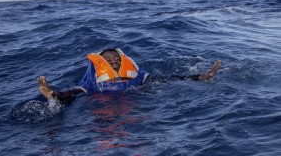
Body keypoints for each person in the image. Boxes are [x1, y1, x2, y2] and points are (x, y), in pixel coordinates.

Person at [38, 48, 221, 105]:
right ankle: (53, 95)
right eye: (109, 59)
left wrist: (199, 76)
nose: (114, 61)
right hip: (104, 109)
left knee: (164, 79)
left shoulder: (136, 76)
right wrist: (58, 94)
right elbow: (77, 91)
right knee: (72, 94)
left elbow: (168, 79)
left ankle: (203, 76)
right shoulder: (93, 82)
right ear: (102, 64)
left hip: (136, 102)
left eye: (116, 58)